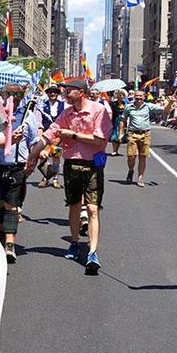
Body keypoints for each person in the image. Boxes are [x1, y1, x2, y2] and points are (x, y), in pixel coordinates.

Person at [26, 79, 112, 275]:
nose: (64, 94)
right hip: (72, 164)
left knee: (92, 208)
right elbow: (50, 134)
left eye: (69, 91)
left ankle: (92, 252)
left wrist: (72, 134)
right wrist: (33, 155)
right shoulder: (66, 113)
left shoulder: (98, 110)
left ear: (81, 92)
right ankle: (74, 242)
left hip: (93, 165)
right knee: (74, 205)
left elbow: (100, 141)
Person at [0, 83, 40, 263]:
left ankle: (10, 244)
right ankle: (2, 233)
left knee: (12, 206)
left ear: (22, 96)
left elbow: (34, 140)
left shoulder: (28, 116)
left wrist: (33, 159)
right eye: (9, 93)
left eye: (17, 94)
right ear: (2, 94)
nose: (13, 98)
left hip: (16, 167)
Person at [119, 89, 168, 187]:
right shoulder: (129, 107)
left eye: (140, 96)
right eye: (136, 96)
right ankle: (131, 170)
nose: (138, 98)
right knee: (131, 156)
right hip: (132, 134)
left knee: (143, 156)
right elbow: (123, 120)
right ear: (134, 97)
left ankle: (140, 178)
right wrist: (120, 134)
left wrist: (170, 102)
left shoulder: (148, 106)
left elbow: (164, 110)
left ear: (144, 97)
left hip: (145, 134)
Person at [37, 85, 65, 188]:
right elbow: (39, 122)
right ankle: (45, 178)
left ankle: (55, 179)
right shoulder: (42, 106)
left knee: (56, 157)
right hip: (45, 135)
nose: (52, 94)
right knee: (43, 157)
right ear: (47, 94)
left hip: (58, 136)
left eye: (55, 92)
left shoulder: (63, 105)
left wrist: (60, 136)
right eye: (50, 92)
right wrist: (41, 136)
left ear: (58, 94)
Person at [108, 89, 127, 155]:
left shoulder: (126, 104)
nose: (121, 96)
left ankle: (116, 150)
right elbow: (112, 112)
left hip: (123, 121)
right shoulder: (113, 103)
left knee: (120, 136)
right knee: (114, 136)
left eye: (123, 95)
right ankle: (114, 150)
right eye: (120, 95)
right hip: (115, 120)